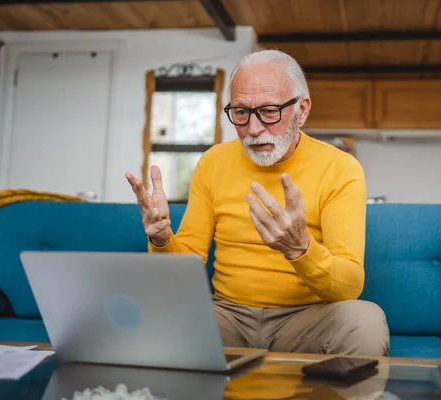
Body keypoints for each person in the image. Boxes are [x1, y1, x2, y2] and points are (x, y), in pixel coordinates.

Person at [126, 50, 389, 356]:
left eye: (268, 111)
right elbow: (185, 264)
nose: (253, 129)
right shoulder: (213, 162)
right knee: (156, 317)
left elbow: (349, 286)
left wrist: (300, 250)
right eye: (240, 112)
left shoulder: (340, 168)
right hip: (227, 316)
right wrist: (160, 239)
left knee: (365, 322)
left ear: (301, 111)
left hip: (306, 319)